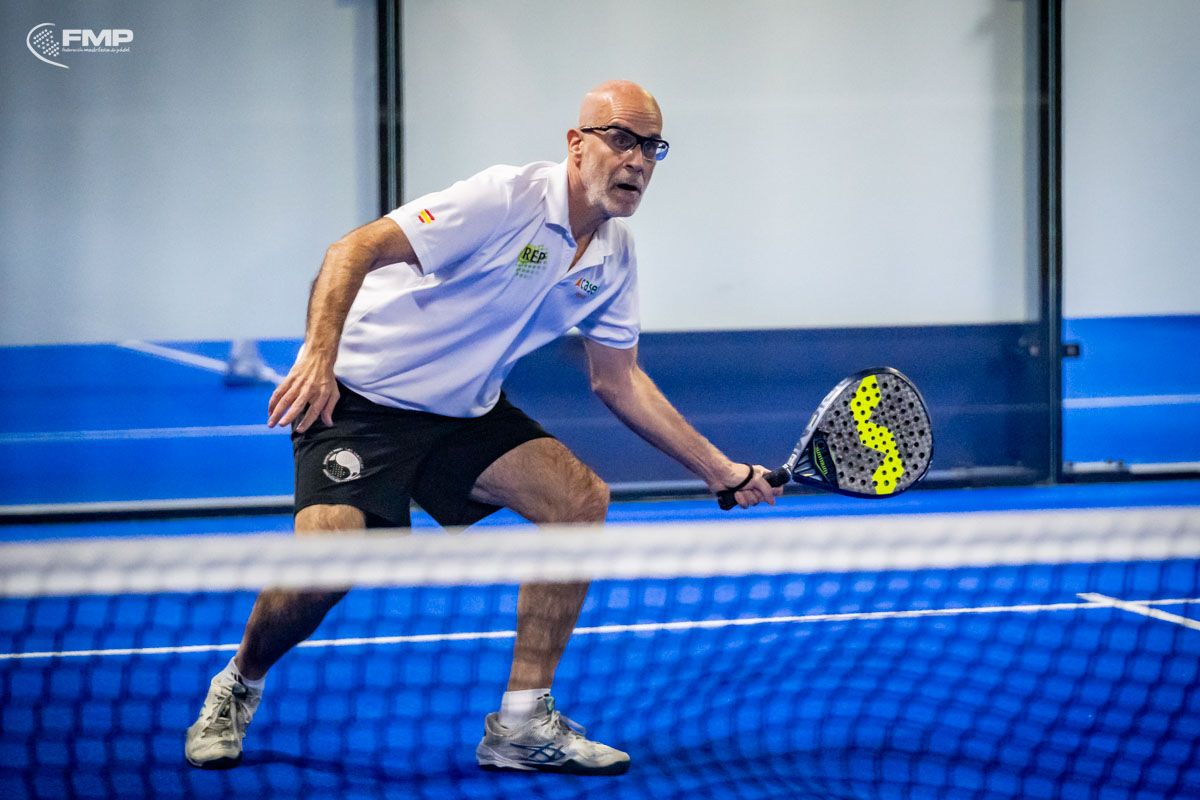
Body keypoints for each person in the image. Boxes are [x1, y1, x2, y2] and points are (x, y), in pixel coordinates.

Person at [185, 80, 781, 776]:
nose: (638, 161)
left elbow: (618, 381)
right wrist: (319, 357)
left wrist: (720, 470)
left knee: (579, 501)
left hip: (464, 411)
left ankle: (522, 726)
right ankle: (239, 683)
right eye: (621, 139)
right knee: (327, 563)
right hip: (361, 398)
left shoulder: (615, 258)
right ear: (577, 143)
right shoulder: (504, 199)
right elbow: (352, 249)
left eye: (652, 148)